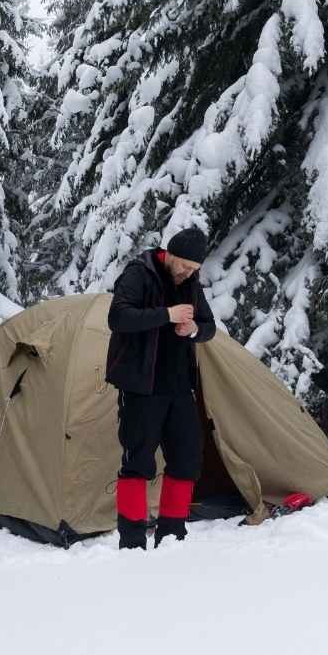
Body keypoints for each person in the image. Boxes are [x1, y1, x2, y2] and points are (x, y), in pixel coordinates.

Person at [106, 227, 216, 550]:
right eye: (183, 264)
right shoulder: (140, 273)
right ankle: (132, 541)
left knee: (186, 459)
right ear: (169, 253)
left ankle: (172, 535)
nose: (186, 272)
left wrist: (194, 329)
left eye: (193, 269)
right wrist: (166, 315)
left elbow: (209, 327)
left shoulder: (192, 285)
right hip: (141, 387)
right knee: (138, 461)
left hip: (180, 388)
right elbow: (118, 317)